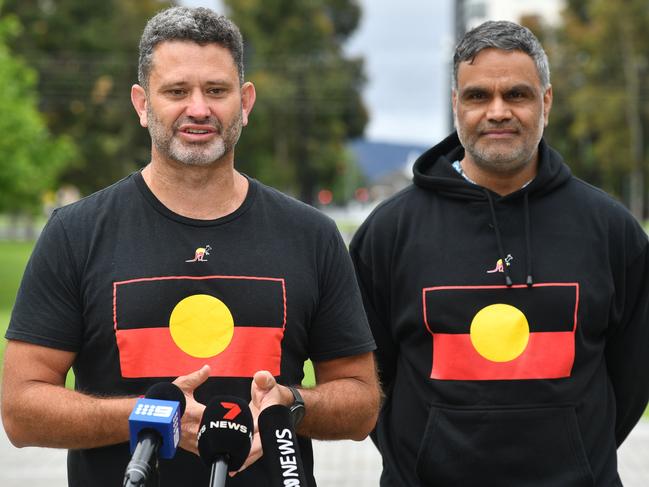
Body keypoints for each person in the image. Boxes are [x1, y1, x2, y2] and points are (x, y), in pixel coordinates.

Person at [1, 6, 380, 487]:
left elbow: (361, 403)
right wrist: (148, 416)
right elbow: (20, 410)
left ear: (245, 102)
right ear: (142, 104)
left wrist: (292, 405)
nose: (198, 109)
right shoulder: (75, 233)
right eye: (176, 91)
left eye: (216, 91)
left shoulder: (311, 235)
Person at [350, 20, 649, 487]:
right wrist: (420, 459)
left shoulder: (610, 231)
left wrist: (579, 456)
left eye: (517, 95)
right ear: (455, 105)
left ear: (545, 102)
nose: (497, 112)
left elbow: (632, 376)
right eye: (476, 96)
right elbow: (368, 381)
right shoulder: (389, 233)